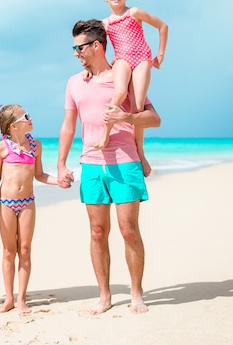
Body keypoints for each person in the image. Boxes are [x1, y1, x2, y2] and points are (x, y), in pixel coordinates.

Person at [57, 20, 161, 315]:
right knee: (97, 232)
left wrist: (125, 116)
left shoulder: (123, 76)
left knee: (129, 230)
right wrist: (61, 163)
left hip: (125, 162)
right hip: (90, 164)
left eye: (79, 47)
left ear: (96, 46)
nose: (76, 53)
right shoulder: (73, 83)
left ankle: (136, 293)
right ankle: (105, 296)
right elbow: (68, 125)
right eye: (74, 48)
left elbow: (154, 118)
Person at [90, 0, 168, 177]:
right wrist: (89, 70)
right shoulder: (104, 24)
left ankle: (140, 153)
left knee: (137, 107)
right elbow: (97, 50)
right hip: (121, 59)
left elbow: (163, 26)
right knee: (119, 94)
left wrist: (159, 55)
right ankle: (105, 134)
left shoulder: (134, 12)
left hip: (142, 58)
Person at [0, 105, 58, 314]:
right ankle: (8, 299)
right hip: (7, 203)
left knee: (25, 250)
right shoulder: (1, 148)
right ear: (13, 126)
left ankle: (22, 299)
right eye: (26, 116)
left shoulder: (36, 146)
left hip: (27, 202)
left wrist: (58, 181)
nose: (31, 118)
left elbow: (40, 175)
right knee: (9, 251)